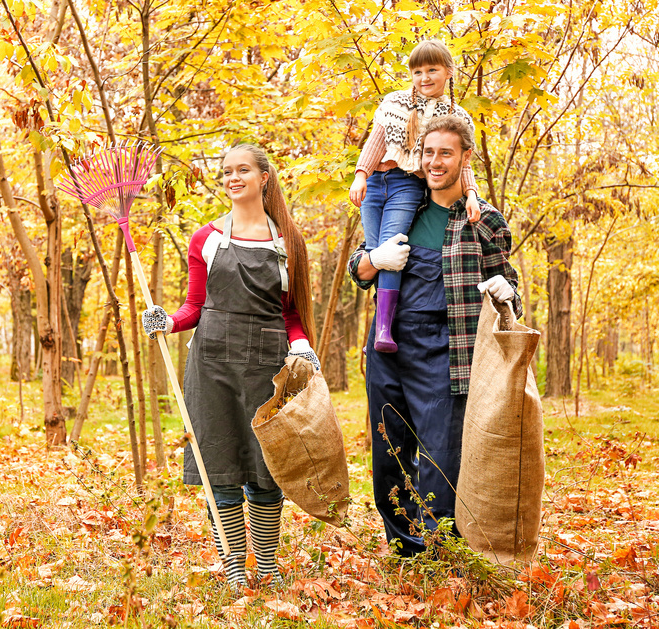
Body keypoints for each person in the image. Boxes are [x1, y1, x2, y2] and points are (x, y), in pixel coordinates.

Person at [141, 144, 318, 588]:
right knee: (218, 464)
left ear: (264, 177)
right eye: (226, 172)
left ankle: (268, 564)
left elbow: (293, 314)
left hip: (269, 367)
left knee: (265, 467)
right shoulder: (207, 238)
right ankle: (235, 568)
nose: (233, 178)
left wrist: (302, 348)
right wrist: (167, 321)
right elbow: (195, 307)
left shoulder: (288, 242)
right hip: (212, 364)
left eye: (243, 170)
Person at [347, 115, 523, 556]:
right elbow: (358, 269)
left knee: (442, 459)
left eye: (445, 153)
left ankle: (441, 553)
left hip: (449, 352)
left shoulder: (485, 221)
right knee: (389, 456)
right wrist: (377, 259)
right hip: (389, 345)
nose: (435, 162)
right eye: (428, 153)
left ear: (465, 157)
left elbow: (512, 295)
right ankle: (406, 553)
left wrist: (507, 292)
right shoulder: (405, 203)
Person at [348, 40, 482, 354]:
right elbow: (375, 143)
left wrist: (472, 194)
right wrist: (360, 175)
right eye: (417, 71)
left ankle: (384, 330)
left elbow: (463, 161)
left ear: (448, 72)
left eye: (432, 69)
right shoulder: (395, 103)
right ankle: (379, 329)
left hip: (406, 185)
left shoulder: (456, 115)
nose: (424, 77)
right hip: (375, 183)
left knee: (391, 248)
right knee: (373, 253)